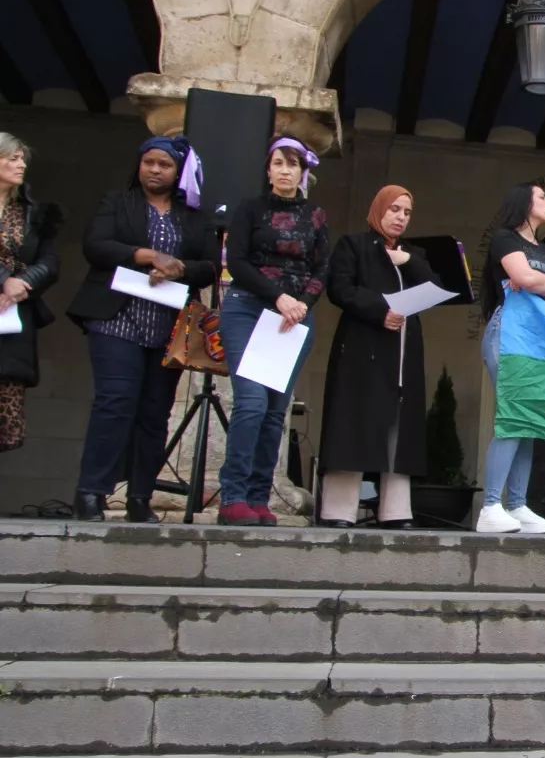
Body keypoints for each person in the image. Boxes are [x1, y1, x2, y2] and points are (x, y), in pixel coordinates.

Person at [67, 136, 217, 522]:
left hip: (167, 327)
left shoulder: (193, 218)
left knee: (155, 412)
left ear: (177, 172)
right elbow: (96, 246)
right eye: (149, 162)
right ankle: (92, 492)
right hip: (117, 319)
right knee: (115, 403)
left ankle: (139, 497)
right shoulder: (116, 203)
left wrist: (179, 267)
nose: (154, 170)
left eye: (164, 165)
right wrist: (148, 255)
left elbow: (209, 266)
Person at [216, 137, 330, 527]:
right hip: (248, 308)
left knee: (275, 412)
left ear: (303, 172)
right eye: (278, 163)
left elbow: (322, 269)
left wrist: (301, 305)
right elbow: (239, 262)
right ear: (268, 169)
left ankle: (258, 499)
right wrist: (279, 297)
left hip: (293, 318)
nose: (285, 170)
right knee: (250, 402)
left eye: (293, 164)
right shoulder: (250, 209)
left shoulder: (315, 215)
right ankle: (232, 497)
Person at [317, 185, 438, 530]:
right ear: (378, 210)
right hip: (363, 348)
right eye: (394, 209)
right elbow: (340, 288)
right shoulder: (354, 245)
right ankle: (339, 510)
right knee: (353, 420)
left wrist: (410, 261)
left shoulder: (411, 254)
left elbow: (434, 287)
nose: (400, 217)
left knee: (399, 426)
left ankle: (395, 511)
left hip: (402, 354)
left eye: (407, 212)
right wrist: (380, 310)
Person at [477, 182, 545, 533]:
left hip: (537, 340)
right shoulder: (506, 238)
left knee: (528, 421)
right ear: (524, 203)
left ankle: (516, 505)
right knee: (514, 416)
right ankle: (491, 505)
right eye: (543, 197)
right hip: (508, 333)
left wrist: (535, 280)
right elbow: (523, 277)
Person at [0, 133, 59, 457]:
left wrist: (22, 282)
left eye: (22, 158)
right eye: (13, 158)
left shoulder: (32, 213)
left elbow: (50, 262)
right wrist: (4, 279)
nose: (21, 164)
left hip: (10, 322)